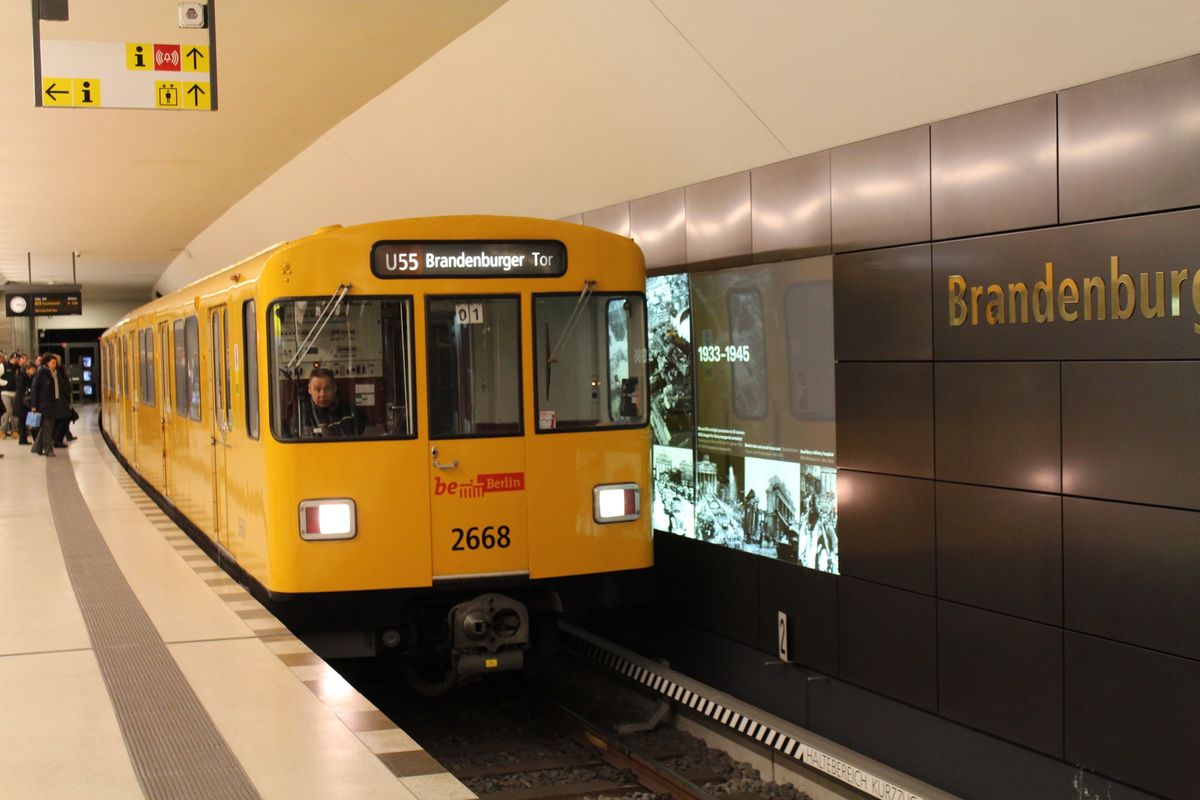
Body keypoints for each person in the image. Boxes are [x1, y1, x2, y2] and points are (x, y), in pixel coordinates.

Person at [289, 367, 365, 438]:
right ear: (309, 389)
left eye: (327, 388)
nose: (322, 394)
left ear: (335, 387)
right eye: (317, 389)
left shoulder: (350, 412)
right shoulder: (301, 417)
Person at [29, 353, 64, 457]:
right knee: (47, 428)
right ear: (47, 363)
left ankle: (37, 448)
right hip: (44, 405)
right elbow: (34, 388)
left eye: (55, 363)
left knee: (46, 427)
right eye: (53, 363)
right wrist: (33, 405)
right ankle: (48, 450)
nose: (55, 365)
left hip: (52, 403)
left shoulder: (53, 373)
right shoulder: (42, 373)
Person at [13, 360, 34, 445]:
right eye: (32, 369)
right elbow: (21, 389)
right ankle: (23, 439)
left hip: (27, 402)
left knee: (25, 421)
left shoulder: (31, 377)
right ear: (27, 369)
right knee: (22, 421)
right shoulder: (21, 377)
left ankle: (24, 439)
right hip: (21, 402)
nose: (34, 371)